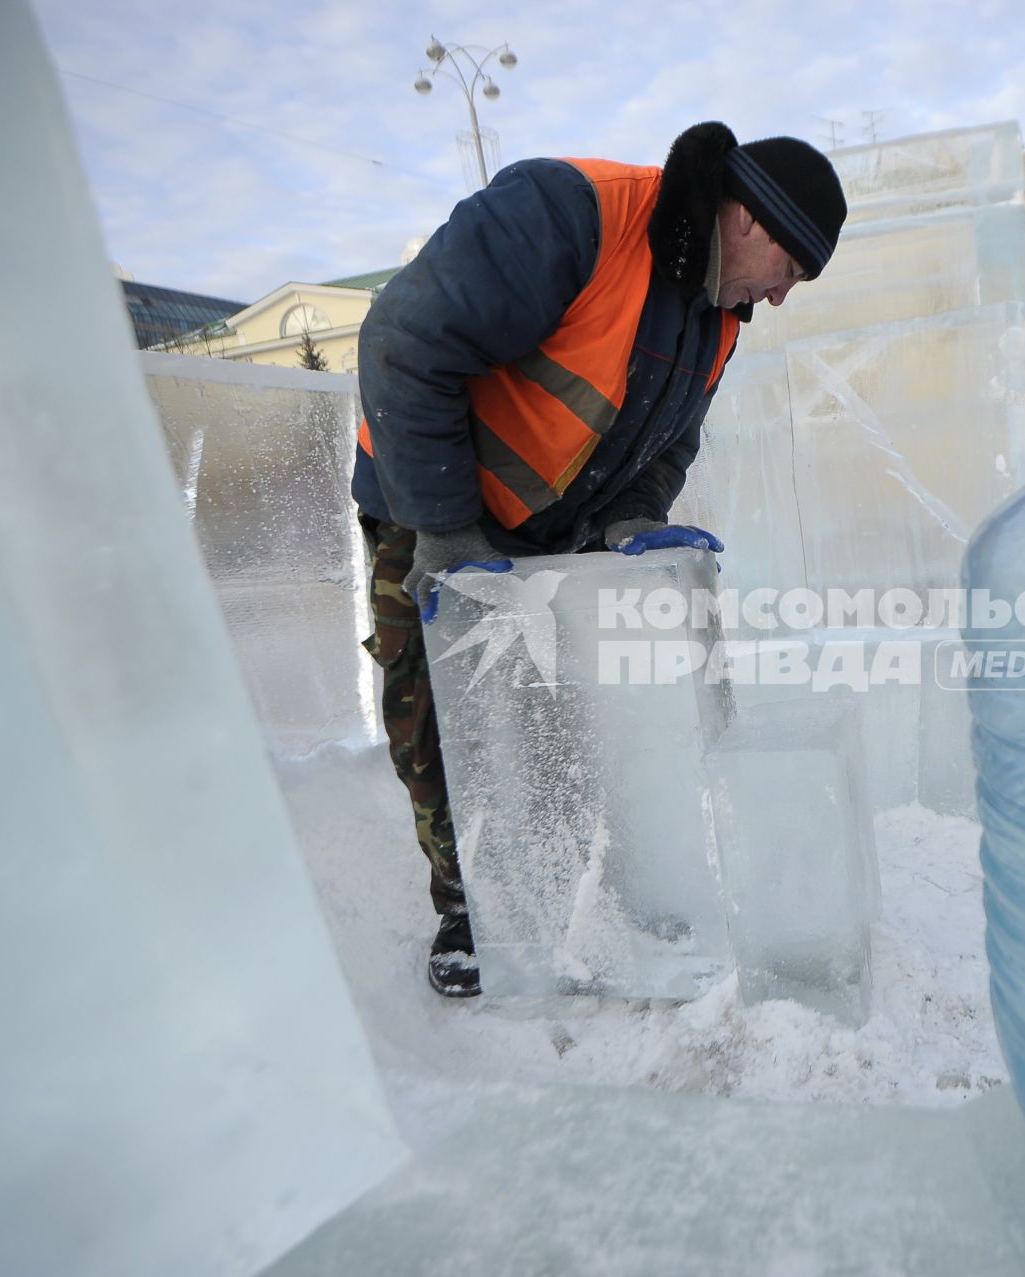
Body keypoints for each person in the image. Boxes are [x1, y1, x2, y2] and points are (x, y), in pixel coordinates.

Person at [352, 121, 847, 996]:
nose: (782, 298)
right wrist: (448, 532)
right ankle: (474, 906)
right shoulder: (574, 214)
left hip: (547, 522)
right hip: (422, 492)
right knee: (436, 708)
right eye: (792, 272)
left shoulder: (717, 319)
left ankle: (579, 888)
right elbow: (402, 340)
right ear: (753, 222)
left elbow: (670, 441)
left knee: (555, 708)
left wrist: (631, 518)